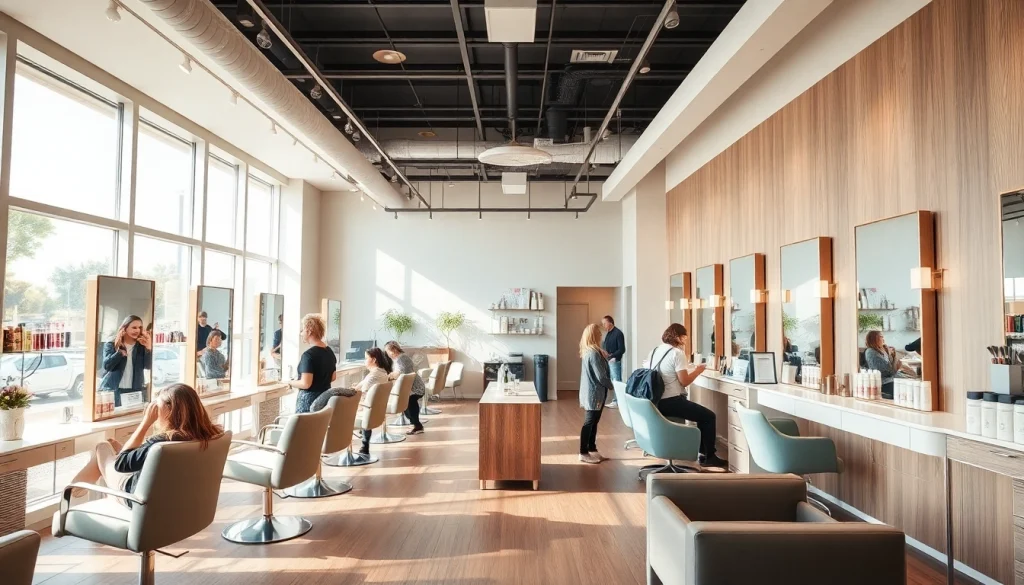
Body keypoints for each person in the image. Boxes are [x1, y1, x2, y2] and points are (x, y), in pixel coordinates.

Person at [68, 383, 223, 506]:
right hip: (176, 497)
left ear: (169, 410)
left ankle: (72, 493)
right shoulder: (211, 435)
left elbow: (121, 464)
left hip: (136, 497)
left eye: (157, 406)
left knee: (102, 447)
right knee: (112, 444)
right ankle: (78, 490)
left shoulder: (162, 443)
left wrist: (145, 423)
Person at [650, 323, 728, 469]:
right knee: (708, 417)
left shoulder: (656, 350)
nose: (685, 341)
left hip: (656, 401)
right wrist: (698, 370)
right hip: (671, 401)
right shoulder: (676, 353)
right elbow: (684, 381)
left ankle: (704, 454)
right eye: (684, 337)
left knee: (703, 415)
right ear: (679, 337)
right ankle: (709, 457)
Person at [100, 315, 152, 408]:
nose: (137, 330)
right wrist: (119, 354)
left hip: (134, 391)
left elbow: (148, 366)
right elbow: (107, 366)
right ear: (125, 328)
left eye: (140, 327)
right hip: (114, 389)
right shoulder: (112, 343)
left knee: (132, 414)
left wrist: (148, 348)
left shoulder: (141, 345)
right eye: (134, 327)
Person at [289, 314, 338, 413]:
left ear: (309, 330)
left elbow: (305, 384)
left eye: (303, 330)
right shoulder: (330, 352)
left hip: (309, 404)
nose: (301, 333)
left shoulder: (308, 355)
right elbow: (333, 377)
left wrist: (290, 382)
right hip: (324, 402)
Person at [579, 323, 613, 464]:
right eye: (598, 333)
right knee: (590, 422)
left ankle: (592, 449)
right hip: (594, 393)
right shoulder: (594, 354)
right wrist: (613, 386)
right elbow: (601, 377)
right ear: (593, 335)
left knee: (594, 422)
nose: (601, 335)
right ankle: (583, 452)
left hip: (592, 392)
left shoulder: (590, 352)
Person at [352, 347, 391, 460]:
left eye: (366, 358)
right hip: (375, 412)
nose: (364, 361)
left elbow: (363, 394)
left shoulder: (373, 376)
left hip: (367, 412)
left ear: (374, 360)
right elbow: (362, 387)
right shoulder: (382, 373)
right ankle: (364, 443)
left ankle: (361, 445)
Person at [384, 341, 426, 435]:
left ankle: (417, 425)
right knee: (408, 404)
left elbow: (402, 374)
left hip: (414, 388)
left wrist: (390, 377)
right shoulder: (401, 358)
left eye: (388, 351)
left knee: (409, 404)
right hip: (413, 387)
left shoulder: (401, 359)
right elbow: (400, 373)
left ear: (394, 350)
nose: (387, 354)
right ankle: (416, 425)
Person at [601, 315, 625, 409]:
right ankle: (615, 401)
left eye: (604, 323)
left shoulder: (618, 333)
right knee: (612, 380)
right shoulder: (609, 333)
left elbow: (622, 349)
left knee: (616, 381)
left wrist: (612, 356)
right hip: (609, 360)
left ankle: (617, 401)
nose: (603, 325)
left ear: (610, 322)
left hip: (614, 361)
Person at [865, 330, 897, 399]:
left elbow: (890, 368)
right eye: (881, 337)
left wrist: (891, 355)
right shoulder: (871, 352)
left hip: (889, 379)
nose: (883, 339)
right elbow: (883, 371)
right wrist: (896, 365)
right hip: (883, 382)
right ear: (874, 339)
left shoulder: (881, 350)